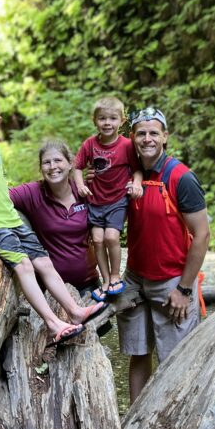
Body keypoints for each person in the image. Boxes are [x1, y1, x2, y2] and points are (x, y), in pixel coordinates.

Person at [0, 94, 104, 347]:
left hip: (11, 219)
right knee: (24, 266)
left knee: (43, 261)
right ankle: (53, 323)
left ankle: (74, 310)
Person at [117, 106, 210, 403]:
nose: (147, 139)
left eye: (153, 133)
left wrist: (185, 289)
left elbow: (202, 235)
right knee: (138, 353)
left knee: (177, 361)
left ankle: (173, 426)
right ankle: (135, 420)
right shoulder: (128, 175)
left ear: (165, 137)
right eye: (141, 133)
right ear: (132, 137)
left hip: (173, 282)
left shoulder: (182, 178)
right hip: (134, 278)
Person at [73, 96, 143, 302]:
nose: (107, 123)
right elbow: (77, 167)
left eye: (112, 119)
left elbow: (138, 170)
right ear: (95, 120)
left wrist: (136, 184)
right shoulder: (90, 144)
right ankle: (105, 280)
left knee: (112, 237)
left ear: (121, 121)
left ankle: (115, 276)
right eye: (102, 118)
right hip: (94, 201)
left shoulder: (127, 145)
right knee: (97, 240)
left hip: (117, 201)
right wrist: (80, 185)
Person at [9, 139, 98, 296]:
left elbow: (114, 206)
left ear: (71, 164)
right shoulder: (32, 193)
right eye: (46, 162)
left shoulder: (83, 190)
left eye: (58, 160)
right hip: (50, 290)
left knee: (100, 321)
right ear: (41, 168)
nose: (52, 167)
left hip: (88, 284)